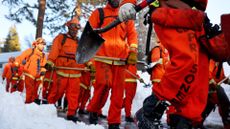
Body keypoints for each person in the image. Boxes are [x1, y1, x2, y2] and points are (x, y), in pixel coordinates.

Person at [119, 0, 211, 128]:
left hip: (195, 16)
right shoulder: (157, 49)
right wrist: (127, 2)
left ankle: (188, 121)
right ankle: (149, 112)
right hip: (171, 9)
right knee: (188, 61)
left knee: (200, 70)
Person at [86, 0, 138, 128]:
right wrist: (90, 61)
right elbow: (89, 35)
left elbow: (132, 34)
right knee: (103, 85)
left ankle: (114, 121)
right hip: (103, 58)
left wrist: (132, 51)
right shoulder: (99, 13)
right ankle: (93, 109)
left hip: (120, 60)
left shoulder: (126, 13)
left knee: (118, 93)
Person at [45, 17, 95, 123]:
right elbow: (55, 50)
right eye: (72, 27)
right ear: (68, 27)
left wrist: (90, 64)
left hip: (75, 73)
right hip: (62, 71)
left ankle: (71, 114)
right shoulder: (61, 38)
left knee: (73, 95)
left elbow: (84, 55)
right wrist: (50, 61)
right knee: (56, 92)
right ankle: (47, 110)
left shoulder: (79, 42)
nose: (74, 30)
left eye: (76, 28)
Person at [196, 59, 230, 129]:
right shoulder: (212, 60)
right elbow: (207, 73)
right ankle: (227, 124)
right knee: (224, 101)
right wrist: (213, 83)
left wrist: (227, 80)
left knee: (210, 104)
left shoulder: (219, 63)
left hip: (213, 87)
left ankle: (198, 123)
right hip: (207, 87)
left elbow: (220, 76)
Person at [15, 37, 47, 104]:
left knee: (36, 91)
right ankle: (28, 104)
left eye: (44, 45)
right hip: (29, 73)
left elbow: (44, 65)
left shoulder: (43, 55)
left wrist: (43, 71)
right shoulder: (30, 51)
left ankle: (34, 104)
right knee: (29, 90)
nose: (43, 46)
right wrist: (16, 63)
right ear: (37, 44)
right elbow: (20, 57)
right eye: (41, 44)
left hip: (38, 76)